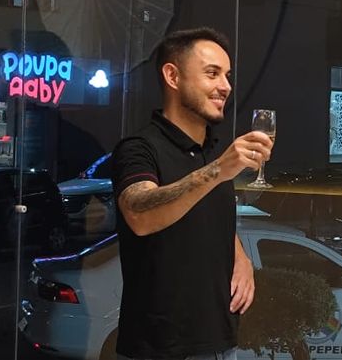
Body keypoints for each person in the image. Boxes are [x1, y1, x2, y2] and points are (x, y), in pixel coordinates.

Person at [111, 27, 274, 360]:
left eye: (227, 75)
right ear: (172, 76)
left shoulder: (213, 150)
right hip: (161, 348)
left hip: (221, 341)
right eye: (212, 74)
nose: (225, 86)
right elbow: (139, 214)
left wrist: (240, 256)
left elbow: (205, 213)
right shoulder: (139, 148)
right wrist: (218, 170)